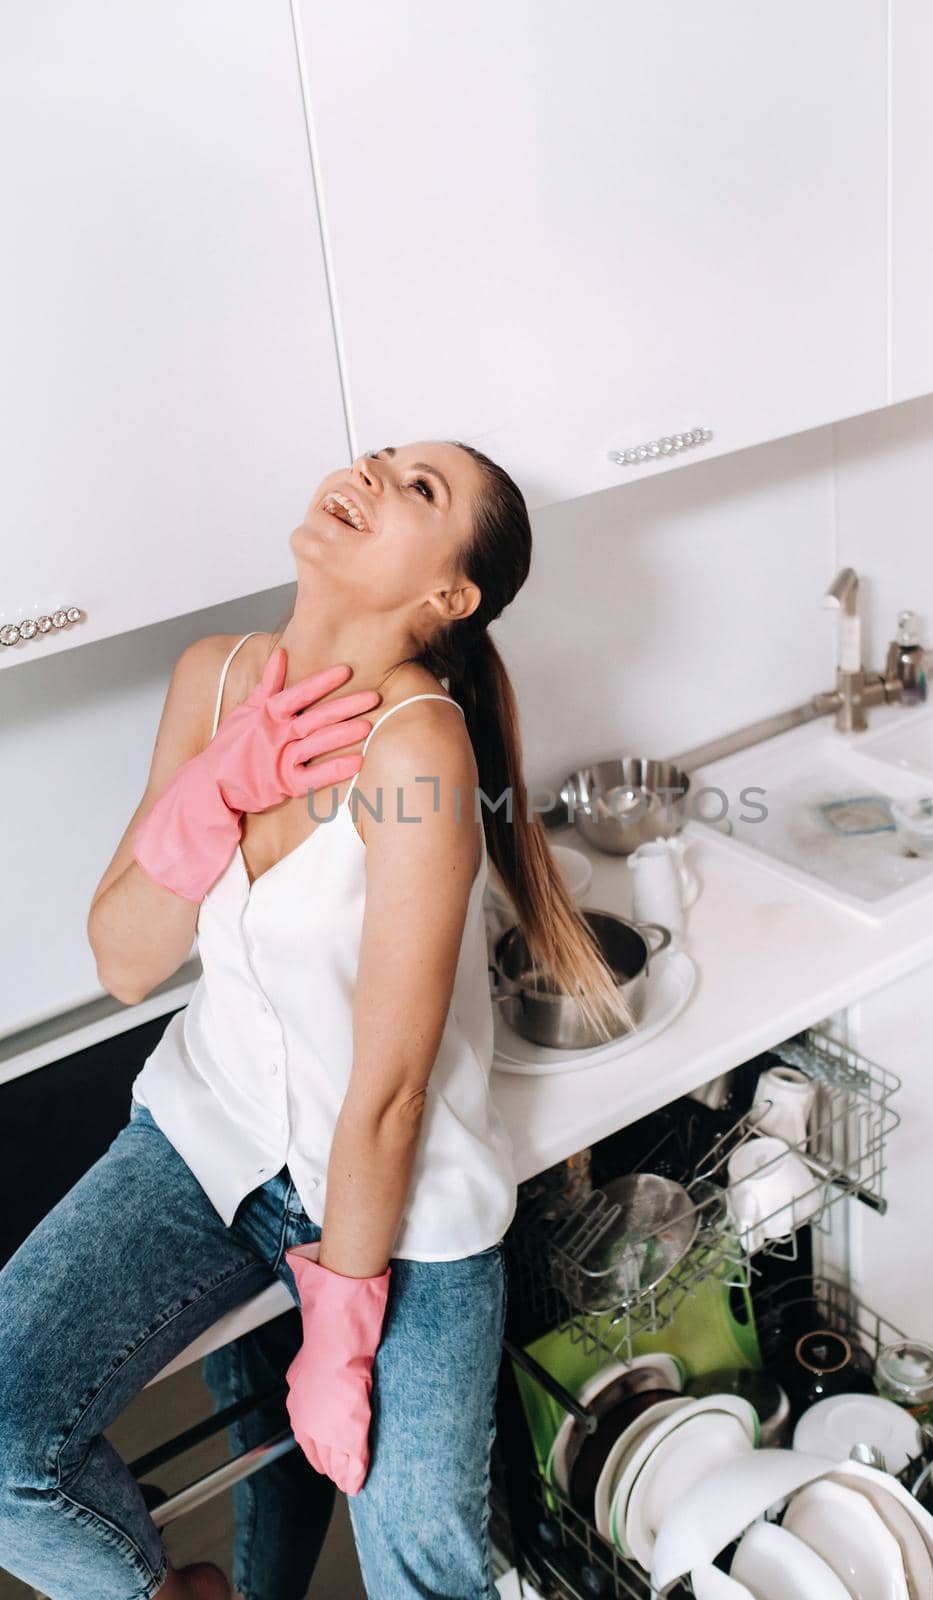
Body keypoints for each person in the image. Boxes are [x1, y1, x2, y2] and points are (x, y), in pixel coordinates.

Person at [0, 441, 633, 1600]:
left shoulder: (419, 748)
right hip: (209, 1133)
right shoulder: (213, 678)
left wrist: (341, 1330)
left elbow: (389, 1092)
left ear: (449, 596)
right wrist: (211, 791)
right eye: (382, 457)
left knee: (419, 1570)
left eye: (419, 489)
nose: (372, 473)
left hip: (394, 1199)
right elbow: (126, 960)